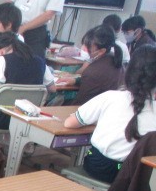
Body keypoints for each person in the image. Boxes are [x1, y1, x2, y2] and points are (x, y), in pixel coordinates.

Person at [64, 45, 156, 183]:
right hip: (134, 176)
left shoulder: (111, 97)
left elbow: (69, 123)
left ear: (129, 71)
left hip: (97, 167)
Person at [58, 25, 124, 105]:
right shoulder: (116, 60)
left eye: (88, 47)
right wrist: (75, 81)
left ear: (101, 51)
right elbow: (98, 83)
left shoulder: (92, 71)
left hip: (91, 108)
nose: (84, 49)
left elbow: (80, 103)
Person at [2, 0, 67, 58]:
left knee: (33, 62)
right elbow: (7, 4)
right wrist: (10, 26)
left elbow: (48, 15)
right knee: (8, 60)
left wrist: (22, 28)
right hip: (13, 29)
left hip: (36, 34)